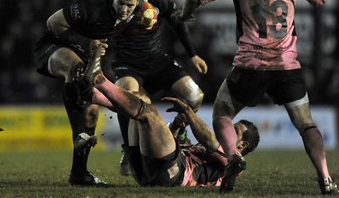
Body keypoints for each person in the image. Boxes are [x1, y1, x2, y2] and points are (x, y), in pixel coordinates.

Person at [175, 0, 337, 195]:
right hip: (286, 65)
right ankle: (325, 177)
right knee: (306, 124)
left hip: (250, 64)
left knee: (222, 115)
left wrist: (184, 16)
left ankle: (232, 159)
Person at [81, 44, 259, 187]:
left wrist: (188, 111)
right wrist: (175, 126)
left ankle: (99, 81)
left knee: (149, 113)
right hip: (149, 168)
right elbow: (171, 147)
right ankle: (92, 95)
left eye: (234, 130)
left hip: (173, 175)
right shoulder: (201, 150)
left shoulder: (234, 163)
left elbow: (209, 140)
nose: (227, 130)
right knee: (142, 99)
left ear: (242, 144)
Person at [34, 0, 144, 186]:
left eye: (129, 5)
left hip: (87, 56)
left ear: (137, 1)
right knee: (76, 70)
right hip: (53, 47)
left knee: (92, 109)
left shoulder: (139, 11)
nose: (124, 10)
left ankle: (79, 173)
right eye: (120, 3)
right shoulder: (89, 7)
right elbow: (53, 23)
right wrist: (87, 40)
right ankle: (79, 136)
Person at [111, 0, 208, 175]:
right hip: (128, 65)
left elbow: (179, 25)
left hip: (158, 62)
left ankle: (178, 131)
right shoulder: (119, 4)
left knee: (195, 96)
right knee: (127, 97)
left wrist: (193, 55)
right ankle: (128, 151)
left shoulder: (161, 0)